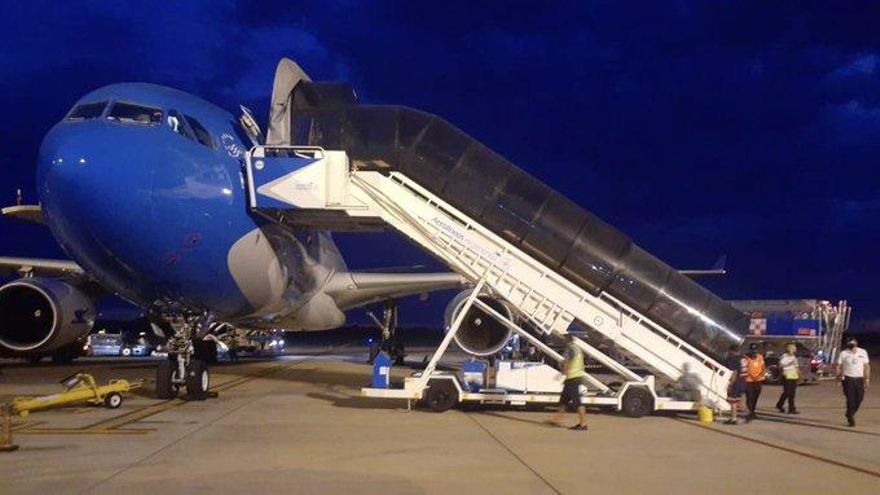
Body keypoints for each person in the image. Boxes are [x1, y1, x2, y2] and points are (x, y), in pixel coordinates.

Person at [547, 334, 588, 431]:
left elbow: (567, 362)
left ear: (567, 340)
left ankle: (583, 424)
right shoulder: (577, 349)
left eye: (563, 339)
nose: (562, 341)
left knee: (577, 401)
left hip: (572, 378)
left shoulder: (569, 350)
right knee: (563, 401)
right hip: (576, 376)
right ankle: (557, 420)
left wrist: (562, 373)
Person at [836, 337, 870, 427]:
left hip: (859, 379)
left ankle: (849, 413)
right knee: (851, 399)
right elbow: (839, 366)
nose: (852, 348)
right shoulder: (844, 353)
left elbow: (866, 366)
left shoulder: (863, 352)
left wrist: (867, 379)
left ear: (856, 344)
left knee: (859, 399)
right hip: (848, 379)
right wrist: (838, 378)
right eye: (850, 346)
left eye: (853, 345)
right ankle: (851, 418)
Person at [741, 342, 765, 422]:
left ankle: (753, 410)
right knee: (750, 396)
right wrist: (752, 376)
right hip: (749, 380)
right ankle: (750, 412)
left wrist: (761, 375)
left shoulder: (760, 357)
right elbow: (744, 368)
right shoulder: (745, 358)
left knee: (756, 396)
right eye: (752, 351)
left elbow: (763, 367)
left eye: (755, 351)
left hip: (758, 380)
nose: (754, 353)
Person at [775, 342, 800, 414]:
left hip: (793, 375)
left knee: (792, 393)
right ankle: (790, 408)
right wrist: (790, 363)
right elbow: (781, 365)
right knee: (788, 392)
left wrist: (798, 374)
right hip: (787, 375)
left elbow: (796, 366)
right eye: (793, 348)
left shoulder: (794, 357)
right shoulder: (785, 356)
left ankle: (783, 405)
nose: (795, 349)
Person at [723, 345, 744, 423]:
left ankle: (734, 418)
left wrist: (730, 384)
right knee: (737, 400)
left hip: (736, 382)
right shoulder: (742, 359)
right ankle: (738, 415)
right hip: (742, 381)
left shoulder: (732, 359)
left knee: (733, 401)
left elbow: (734, 372)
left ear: (731, 351)